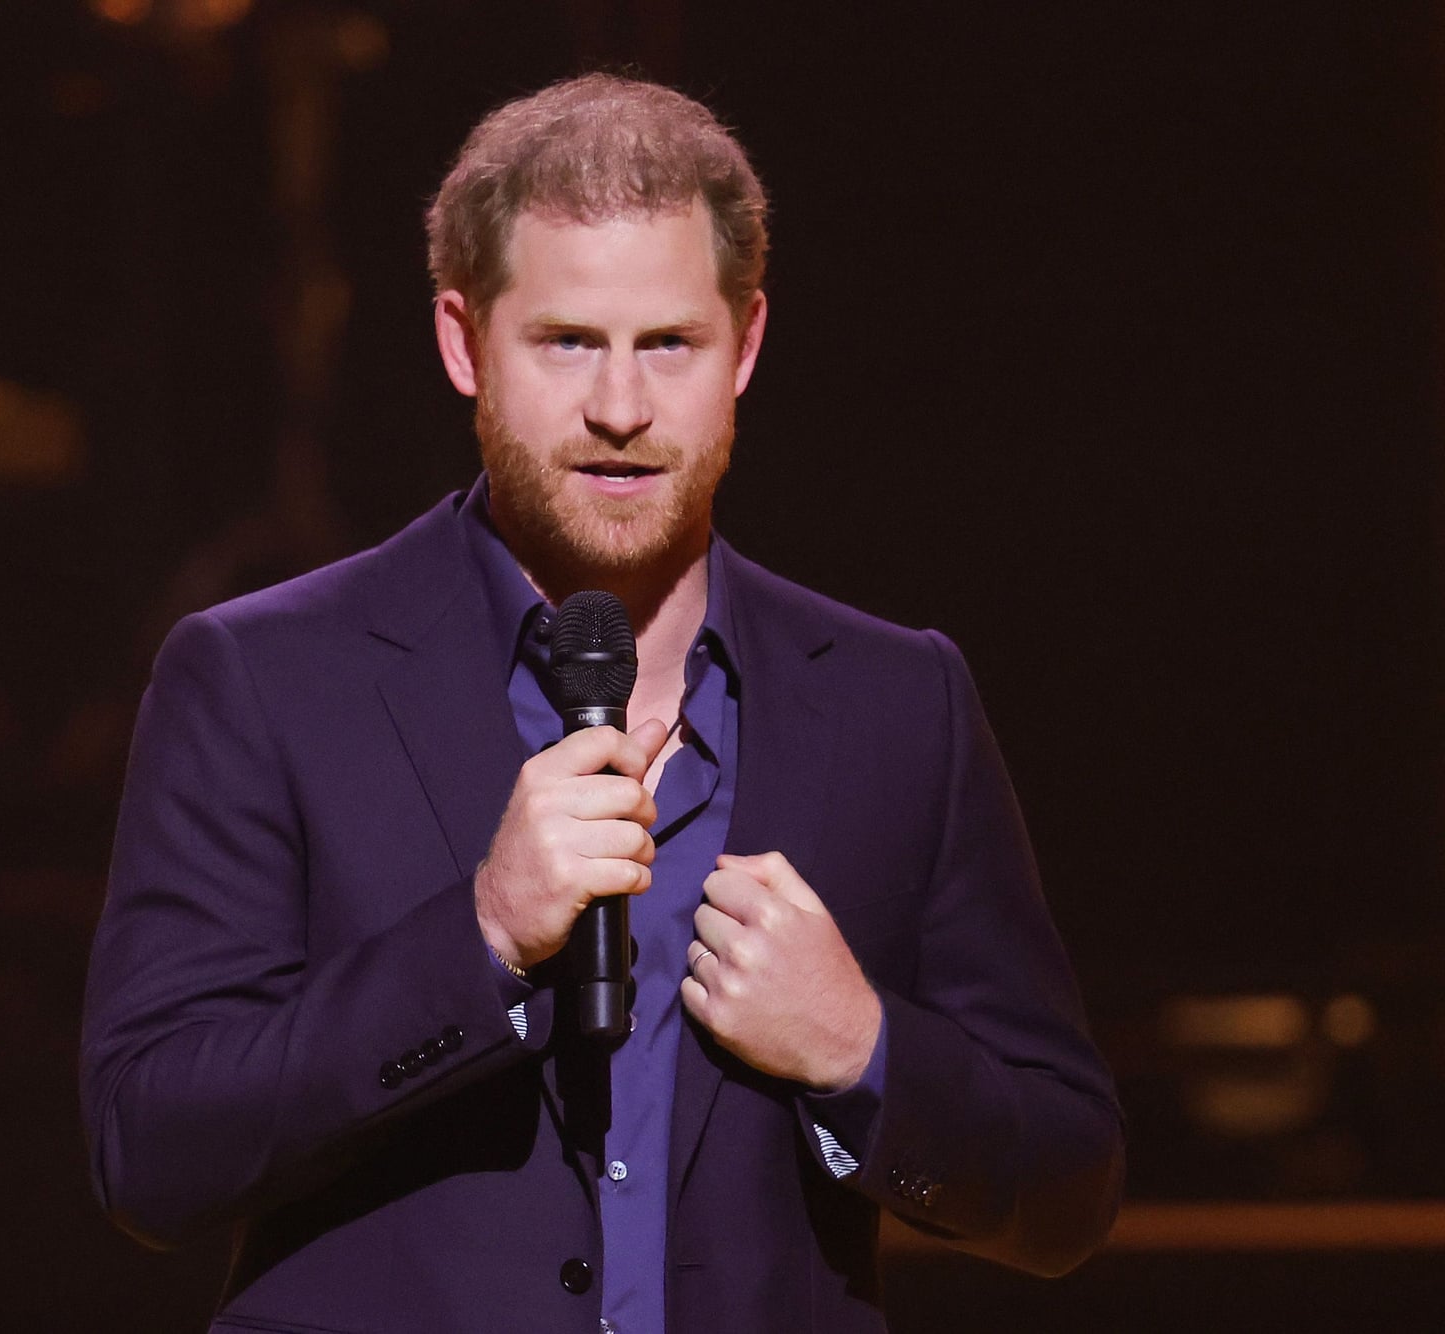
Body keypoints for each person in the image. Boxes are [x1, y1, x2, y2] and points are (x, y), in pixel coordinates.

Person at [82, 73, 1123, 1333]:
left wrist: (864, 1054)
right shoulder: (264, 676)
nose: (620, 409)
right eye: (567, 341)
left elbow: (1065, 1195)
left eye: (668, 345)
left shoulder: (899, 699)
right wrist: (473, 938)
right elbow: (149, 1151)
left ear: (743, 343)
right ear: (463, 342)